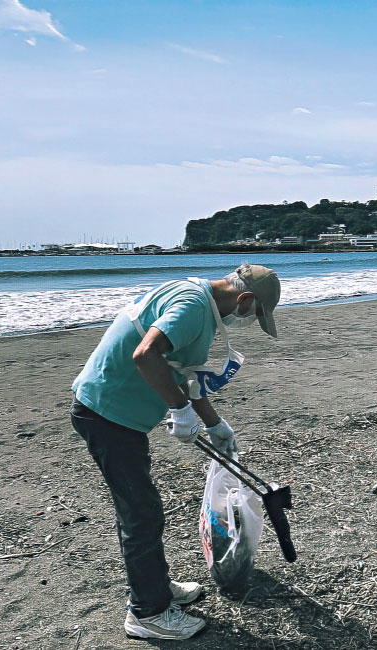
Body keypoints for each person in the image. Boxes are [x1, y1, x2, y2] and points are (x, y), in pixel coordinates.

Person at [70, 263, 280, 640]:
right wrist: (180, 412)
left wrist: (214, 423)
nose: (248, 320)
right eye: (254, 314)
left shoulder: (198, 299)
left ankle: (156, 590)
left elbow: (183, 373)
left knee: (143, 510)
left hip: (118, 412)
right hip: (106, 413)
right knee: (141, 514)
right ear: (245, 298)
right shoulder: (192, 307)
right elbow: (145, 355)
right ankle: (146, 613)